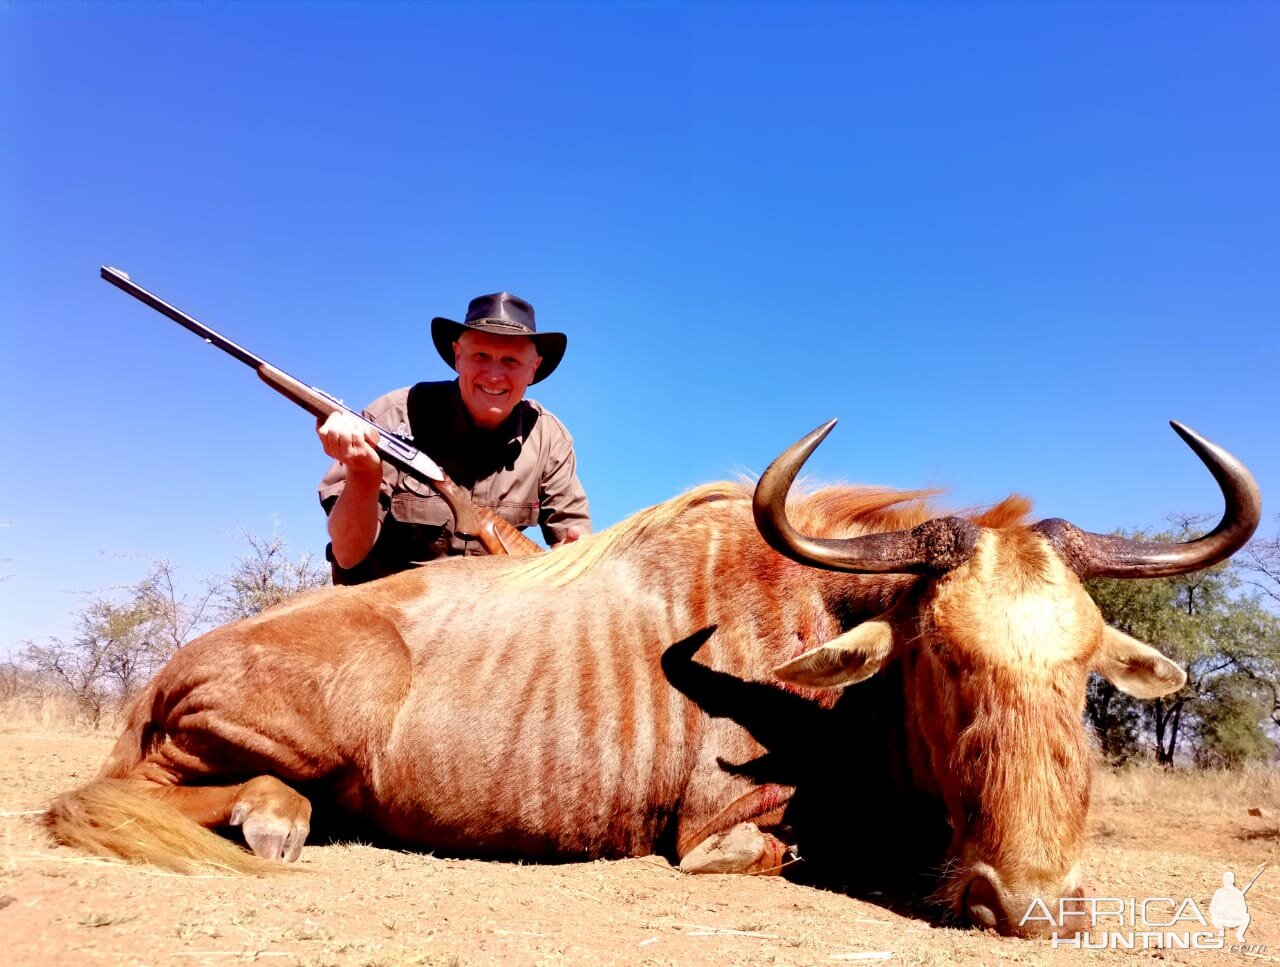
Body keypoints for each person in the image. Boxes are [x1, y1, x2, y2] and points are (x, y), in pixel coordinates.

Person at [316, 291, 591, 584]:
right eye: (481, 356)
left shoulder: (550, 439)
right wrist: (362, 473)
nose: (494, 375)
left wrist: (576, 555)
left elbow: (576, 546)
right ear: (458, 357)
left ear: (533, 369)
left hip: (484, 618)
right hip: (384, 615)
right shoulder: (391, 417)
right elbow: (347, 554)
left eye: (510, 360)